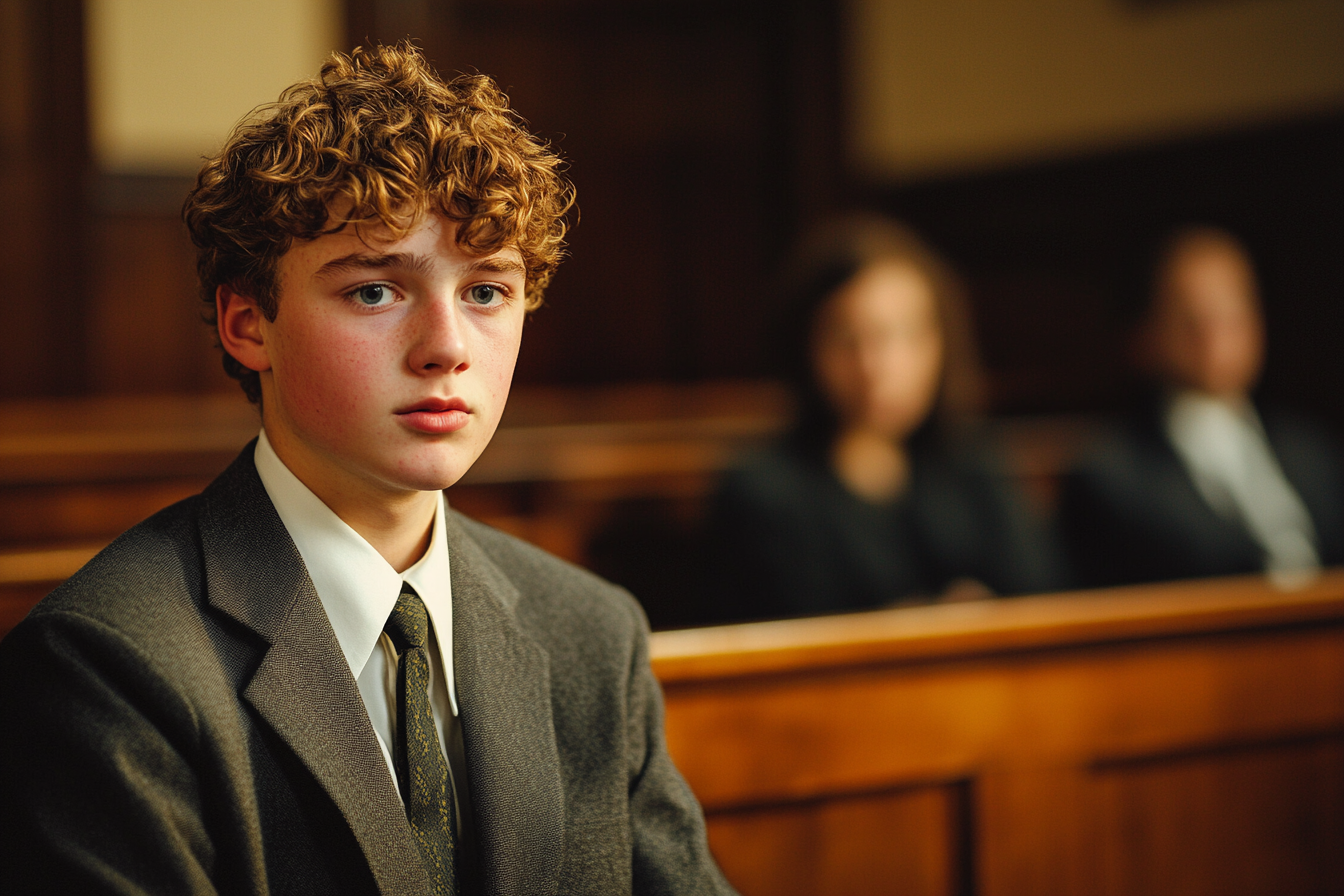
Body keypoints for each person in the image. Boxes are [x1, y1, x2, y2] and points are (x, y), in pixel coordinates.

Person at [0, 45, 734, 895]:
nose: (448, 349)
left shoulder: (592, 634)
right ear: (248, 324)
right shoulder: (106, 666)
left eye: (486, 291)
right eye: (375, 291)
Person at [706, 214, 1062, 621]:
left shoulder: (973, 463)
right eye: (847, 339)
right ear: (805, 348)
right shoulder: (764, 490)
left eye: (902, 335)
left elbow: (1042, 598)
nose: (875, 367)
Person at [1061, 226, 1344, 588]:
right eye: (1191, 314)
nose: (1214, 333)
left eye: (1232, 308)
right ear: (1146, 333)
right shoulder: (1111, 475)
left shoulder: (1311, 450)